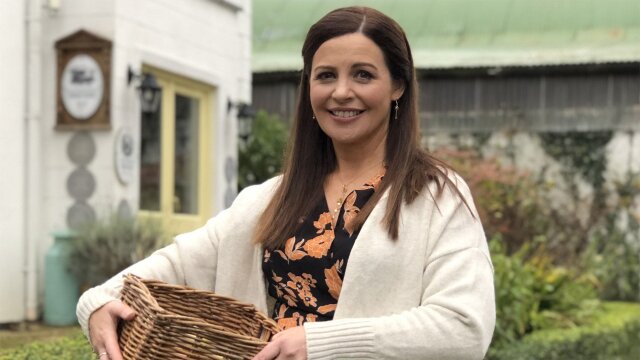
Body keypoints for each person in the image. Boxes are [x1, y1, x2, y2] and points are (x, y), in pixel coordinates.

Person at [78, 6, 495, 360]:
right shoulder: (268, 200)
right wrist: (96, 304)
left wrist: (319, 344)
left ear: (398, 86)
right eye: (326, 75)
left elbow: (463, 326)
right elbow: (167, 269)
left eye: (363, 75)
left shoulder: (437, 196)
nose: (341, 92)